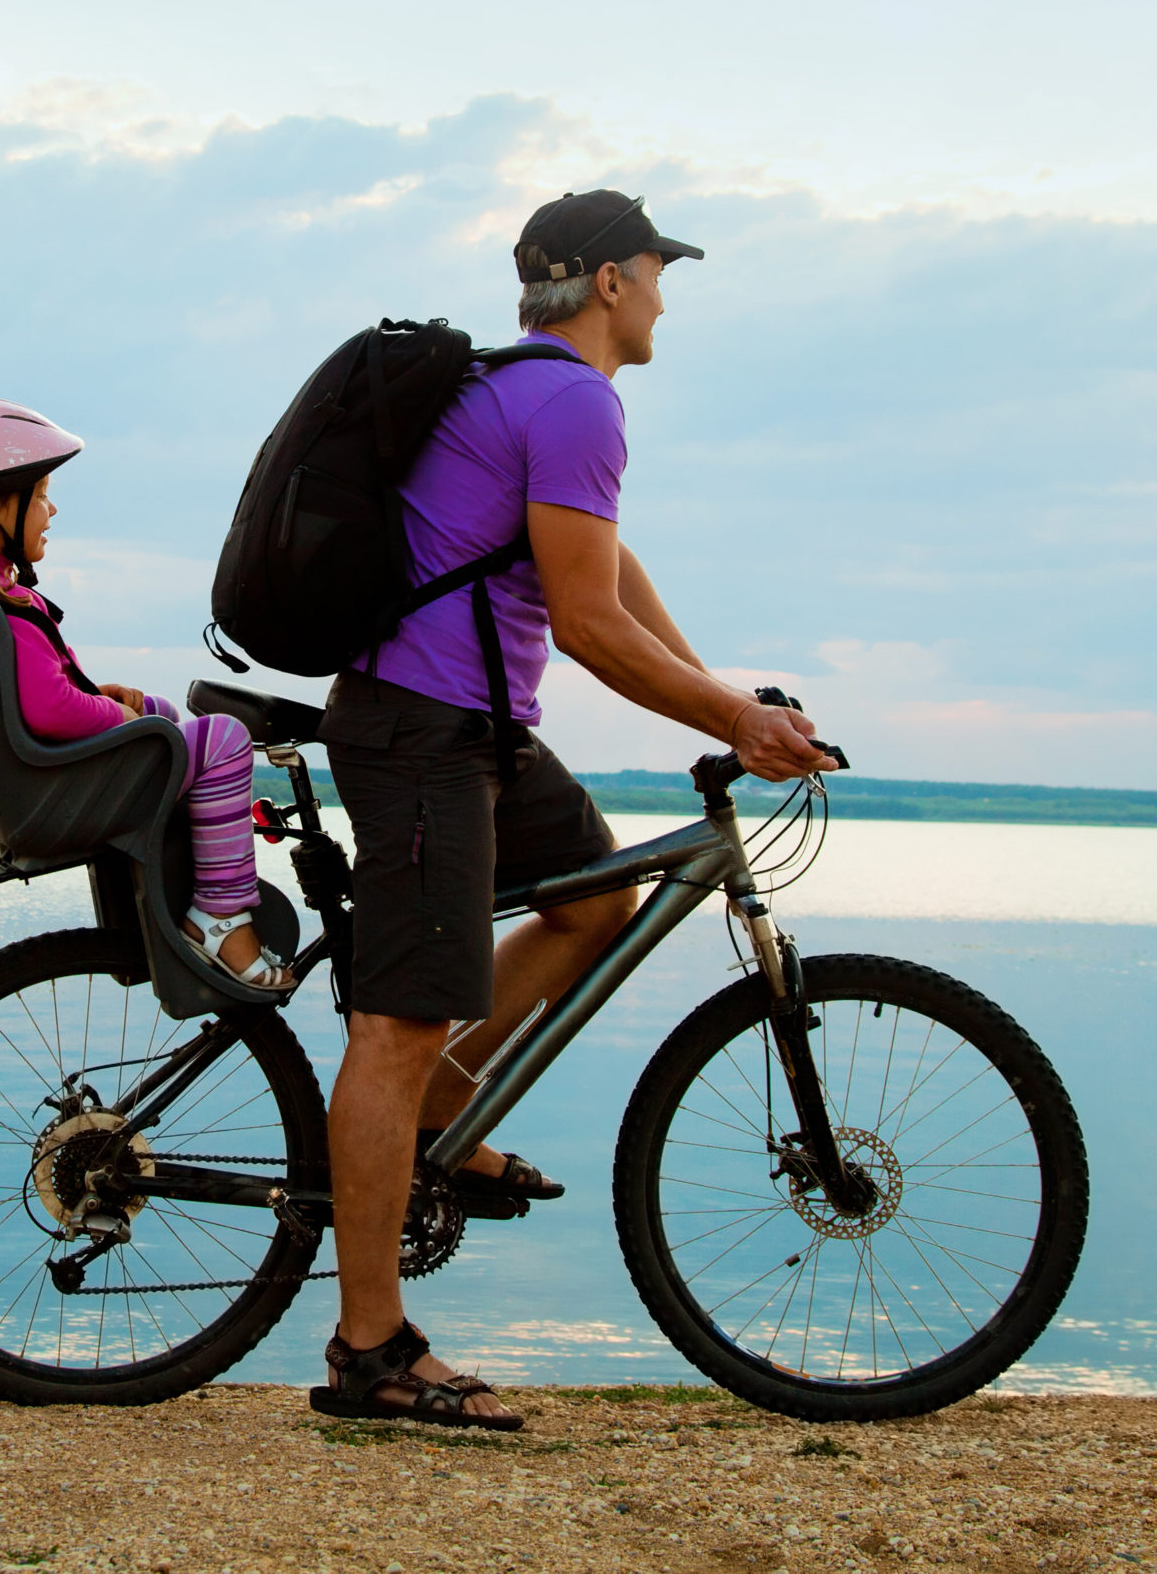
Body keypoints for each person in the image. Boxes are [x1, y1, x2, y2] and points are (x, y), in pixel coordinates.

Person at [313, 191, 836, 1431]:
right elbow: (590, 626)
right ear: (609, 281)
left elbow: (607, 571)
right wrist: (736, 727)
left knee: (597, 895)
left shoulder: (530, 393)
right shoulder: (573, 397)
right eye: (658, 274)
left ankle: (444, 1110)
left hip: (474, 726)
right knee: (397, 1021)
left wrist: (717, 685)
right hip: (418, 728)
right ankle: (368, 1350)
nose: (663, 298)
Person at [0, 399, 292, 986]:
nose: (51, 510)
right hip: (56, 791)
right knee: (225, 737)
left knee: (165, 716)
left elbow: (31, 692)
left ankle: (197, 882)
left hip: (37, 785)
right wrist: (109, 711)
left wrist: (104, 698)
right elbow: (50, 708)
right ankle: (222, 915)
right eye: (42, 494)